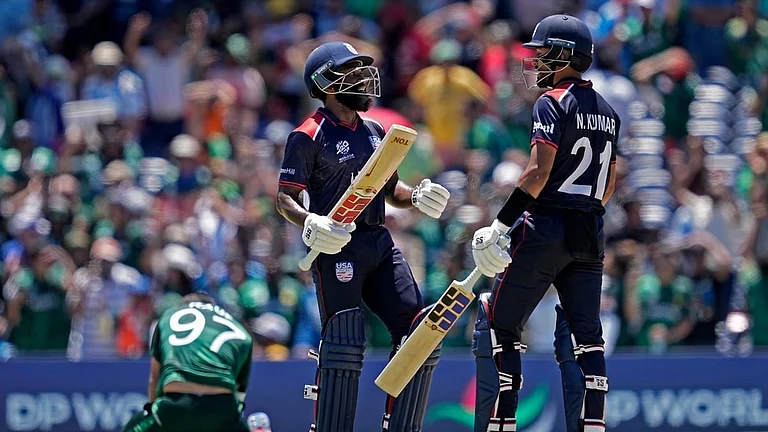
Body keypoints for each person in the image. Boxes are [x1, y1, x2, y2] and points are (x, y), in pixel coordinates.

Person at [275, 41, 451, 432]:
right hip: (337, 247)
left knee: (420, 332)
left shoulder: (374, 130)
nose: (362, 79)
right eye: (351, 72)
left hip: (378, 242)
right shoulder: (307, 134)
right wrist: (308, 222)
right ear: (327, 83)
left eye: (361, 70)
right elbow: (284, 198)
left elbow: (391, 190)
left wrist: (417, 195)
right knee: (343, 343)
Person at [469, 15, 621, 432]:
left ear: (566, 55)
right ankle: (591, 424)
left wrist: (500, 225)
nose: (535, 62)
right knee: (585, 337)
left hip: (547, 225)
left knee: (497, 323)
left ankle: (500, 424)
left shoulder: (552, 101)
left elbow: (537, 173)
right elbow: (607, 184)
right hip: (590, 229)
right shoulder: (608, 111)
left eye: (542, 54)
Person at [121, 293, 253, 432]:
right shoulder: (238, 327)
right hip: (222, 409)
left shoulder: (168, 317)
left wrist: (153, 413)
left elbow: (154, 378)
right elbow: (240, 394)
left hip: (175, 406)